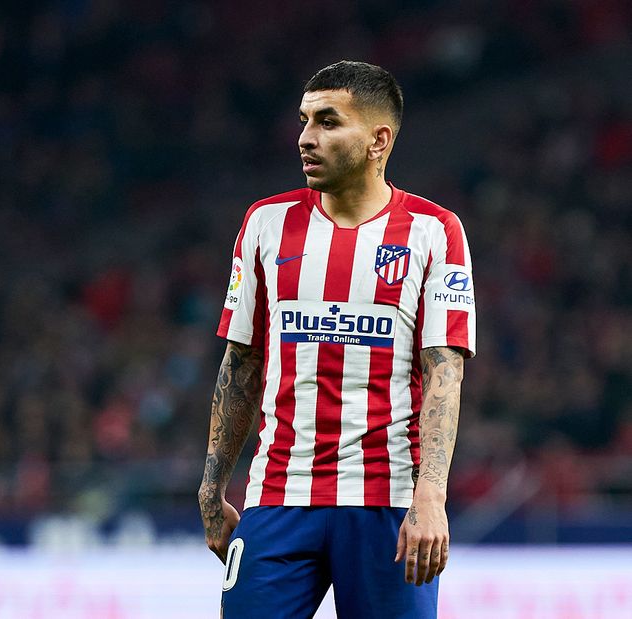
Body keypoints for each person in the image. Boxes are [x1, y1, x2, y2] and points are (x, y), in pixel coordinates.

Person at [198, 60, 475, 618]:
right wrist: (212, 485)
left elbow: (443, 371)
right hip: (278, 495)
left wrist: (431, 495)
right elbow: (241, 362)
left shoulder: (434, 230)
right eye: (304, 120)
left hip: (388, 501)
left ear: (378, 140)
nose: (306, 138)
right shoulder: (265, 223)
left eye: (327, 122)